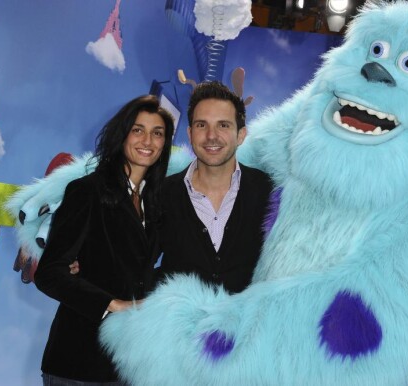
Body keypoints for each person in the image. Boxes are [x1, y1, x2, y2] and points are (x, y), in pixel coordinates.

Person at [33, 95, 174, 385]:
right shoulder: (87, 191)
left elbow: (140, 269)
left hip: (128, 363)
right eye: (138, 130)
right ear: (122, 134)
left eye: (157, 133)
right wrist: (113, 304)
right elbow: (49, 274)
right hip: (79, 361)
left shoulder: (157, 203)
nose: (147, 140)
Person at [156, 81, 273, 293]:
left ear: (241, 135)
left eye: (223, 125)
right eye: (202, 125)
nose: (211, 135)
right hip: (176, 323)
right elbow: (135, 262)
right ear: (190, 134)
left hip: (244, 324)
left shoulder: (268, 191)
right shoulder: (161, 194)